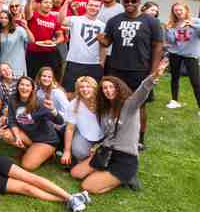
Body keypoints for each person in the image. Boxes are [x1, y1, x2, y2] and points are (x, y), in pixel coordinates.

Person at [70, 60, 168, 193]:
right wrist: (99, 146)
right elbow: (109, 134)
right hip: (107, 152)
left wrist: (154, 76)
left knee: (87, 186)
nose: (108, 91)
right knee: (75, 173)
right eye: (105, 88)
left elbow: (142, 91)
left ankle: (125, 177)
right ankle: (106, 172)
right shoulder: (106, 110)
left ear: (118, 87)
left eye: (111, 87)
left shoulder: (129, 105)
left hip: (125, 157)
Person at [98, 0, 163, 151]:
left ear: (139, 2)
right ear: (123, 1)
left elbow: (157, 46)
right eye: (127, 0)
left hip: (139, 69)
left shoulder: (151, 21)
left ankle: (140, 138)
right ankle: (113, 132)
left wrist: (153, 71)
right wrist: (102, 40)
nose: (130, 3)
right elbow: (108, 42)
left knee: (139, 105)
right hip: (116, 69)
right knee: (113, 102)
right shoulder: (114, 20)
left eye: (134, 1)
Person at [0, 76, 64, 171]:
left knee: (27, 165)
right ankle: (32, 150)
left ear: (32, 89)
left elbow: (59, 121)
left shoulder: (40, 103)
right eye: (21, 84)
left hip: (46, 140)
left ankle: (48, 153)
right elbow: (12, 120)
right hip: (28, 135)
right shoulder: (13, 99)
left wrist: (53, 110)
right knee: (5, 134)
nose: (24, 88)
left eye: (27, 85)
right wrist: (17, 137)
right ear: (17, 86)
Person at [58, 0, 106, 97]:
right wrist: (66, 2)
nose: (93, 8)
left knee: (93, 94)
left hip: (94, 64)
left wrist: (102, 61)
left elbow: (103, 45)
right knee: (69, 93)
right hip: (75, 62)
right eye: (91, 5)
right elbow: (60, 20)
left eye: (97, 6)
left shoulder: (103, 25)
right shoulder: (75, 20)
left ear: (100, 8)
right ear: (86, 6)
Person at [164, 2, 200, 112]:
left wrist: (192, 25)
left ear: (186, 10)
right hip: (175, 54)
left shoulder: (196, 21)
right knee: (174, 78)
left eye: (180, 9)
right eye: (176, 10)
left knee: (196, 81)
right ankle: (174, 101)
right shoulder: (172, 24)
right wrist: (169, 29)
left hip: (191, 55)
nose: (178, 12)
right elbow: (171, 41)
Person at [61, 76, 103, 165]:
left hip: (103, 136)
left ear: (94, 88)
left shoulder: (101, 101)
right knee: (79, 152)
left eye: (88, 86)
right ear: (78, 89)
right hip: (84, 135)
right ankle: (86, 160)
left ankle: (94, 156)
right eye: (82, 87)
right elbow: (70, 129)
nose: (85, 89)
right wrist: (67, 151)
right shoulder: (74, 104)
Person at [25, 0, 64, 80]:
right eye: (45, 2)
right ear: (39, 4)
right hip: (33, 52)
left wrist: (54, 42)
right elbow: (27, 13)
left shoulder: (54, 19)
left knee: (51, 77)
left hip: (49, 52)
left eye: (50, 3)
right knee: (32, 77)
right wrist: (29, 0)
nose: (48, 5)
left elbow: (61, 36)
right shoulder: (33, 16)